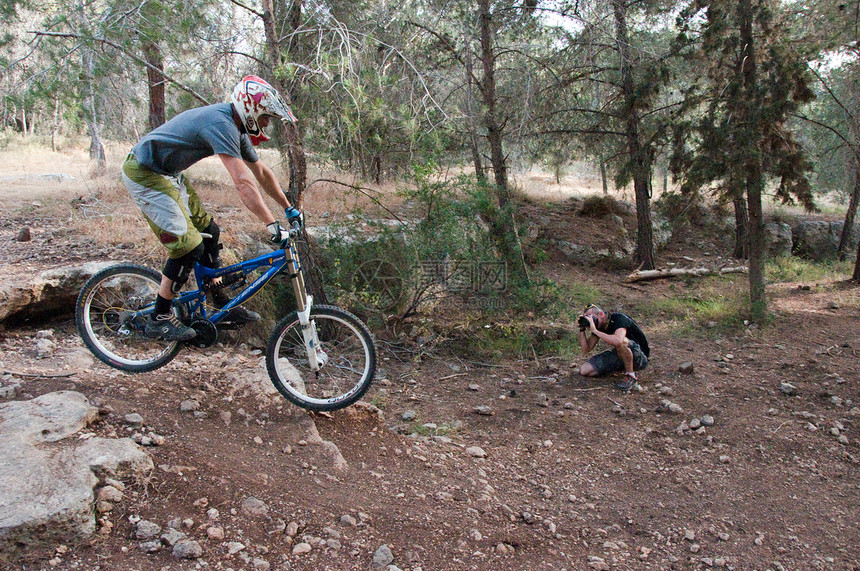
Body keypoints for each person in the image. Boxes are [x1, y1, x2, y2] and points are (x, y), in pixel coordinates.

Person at [122, 75, 303, 341]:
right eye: (266, 117)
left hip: (167, 174)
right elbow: (243, 182)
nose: (267, 124)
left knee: (210, 232)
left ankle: (219, 301)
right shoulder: (222, 124)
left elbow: (261, 173)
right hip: (144, 172)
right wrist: (270, 223)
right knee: (189, 247)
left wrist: (289, 209)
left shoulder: (235, 127)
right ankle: (159, 318)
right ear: (251, 110)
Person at [577, 304, 649, 391]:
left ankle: (631, 376)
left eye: (590, 317)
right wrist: (582, 329)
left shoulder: (619, 319)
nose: (590, 320)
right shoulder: (599, 326)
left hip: (639, 357)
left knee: (622, 341)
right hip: (621, 355)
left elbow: (618, 341)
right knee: (585, 370)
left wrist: (594, 331)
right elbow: (586, 349)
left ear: (601, 314)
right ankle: (620, 368)